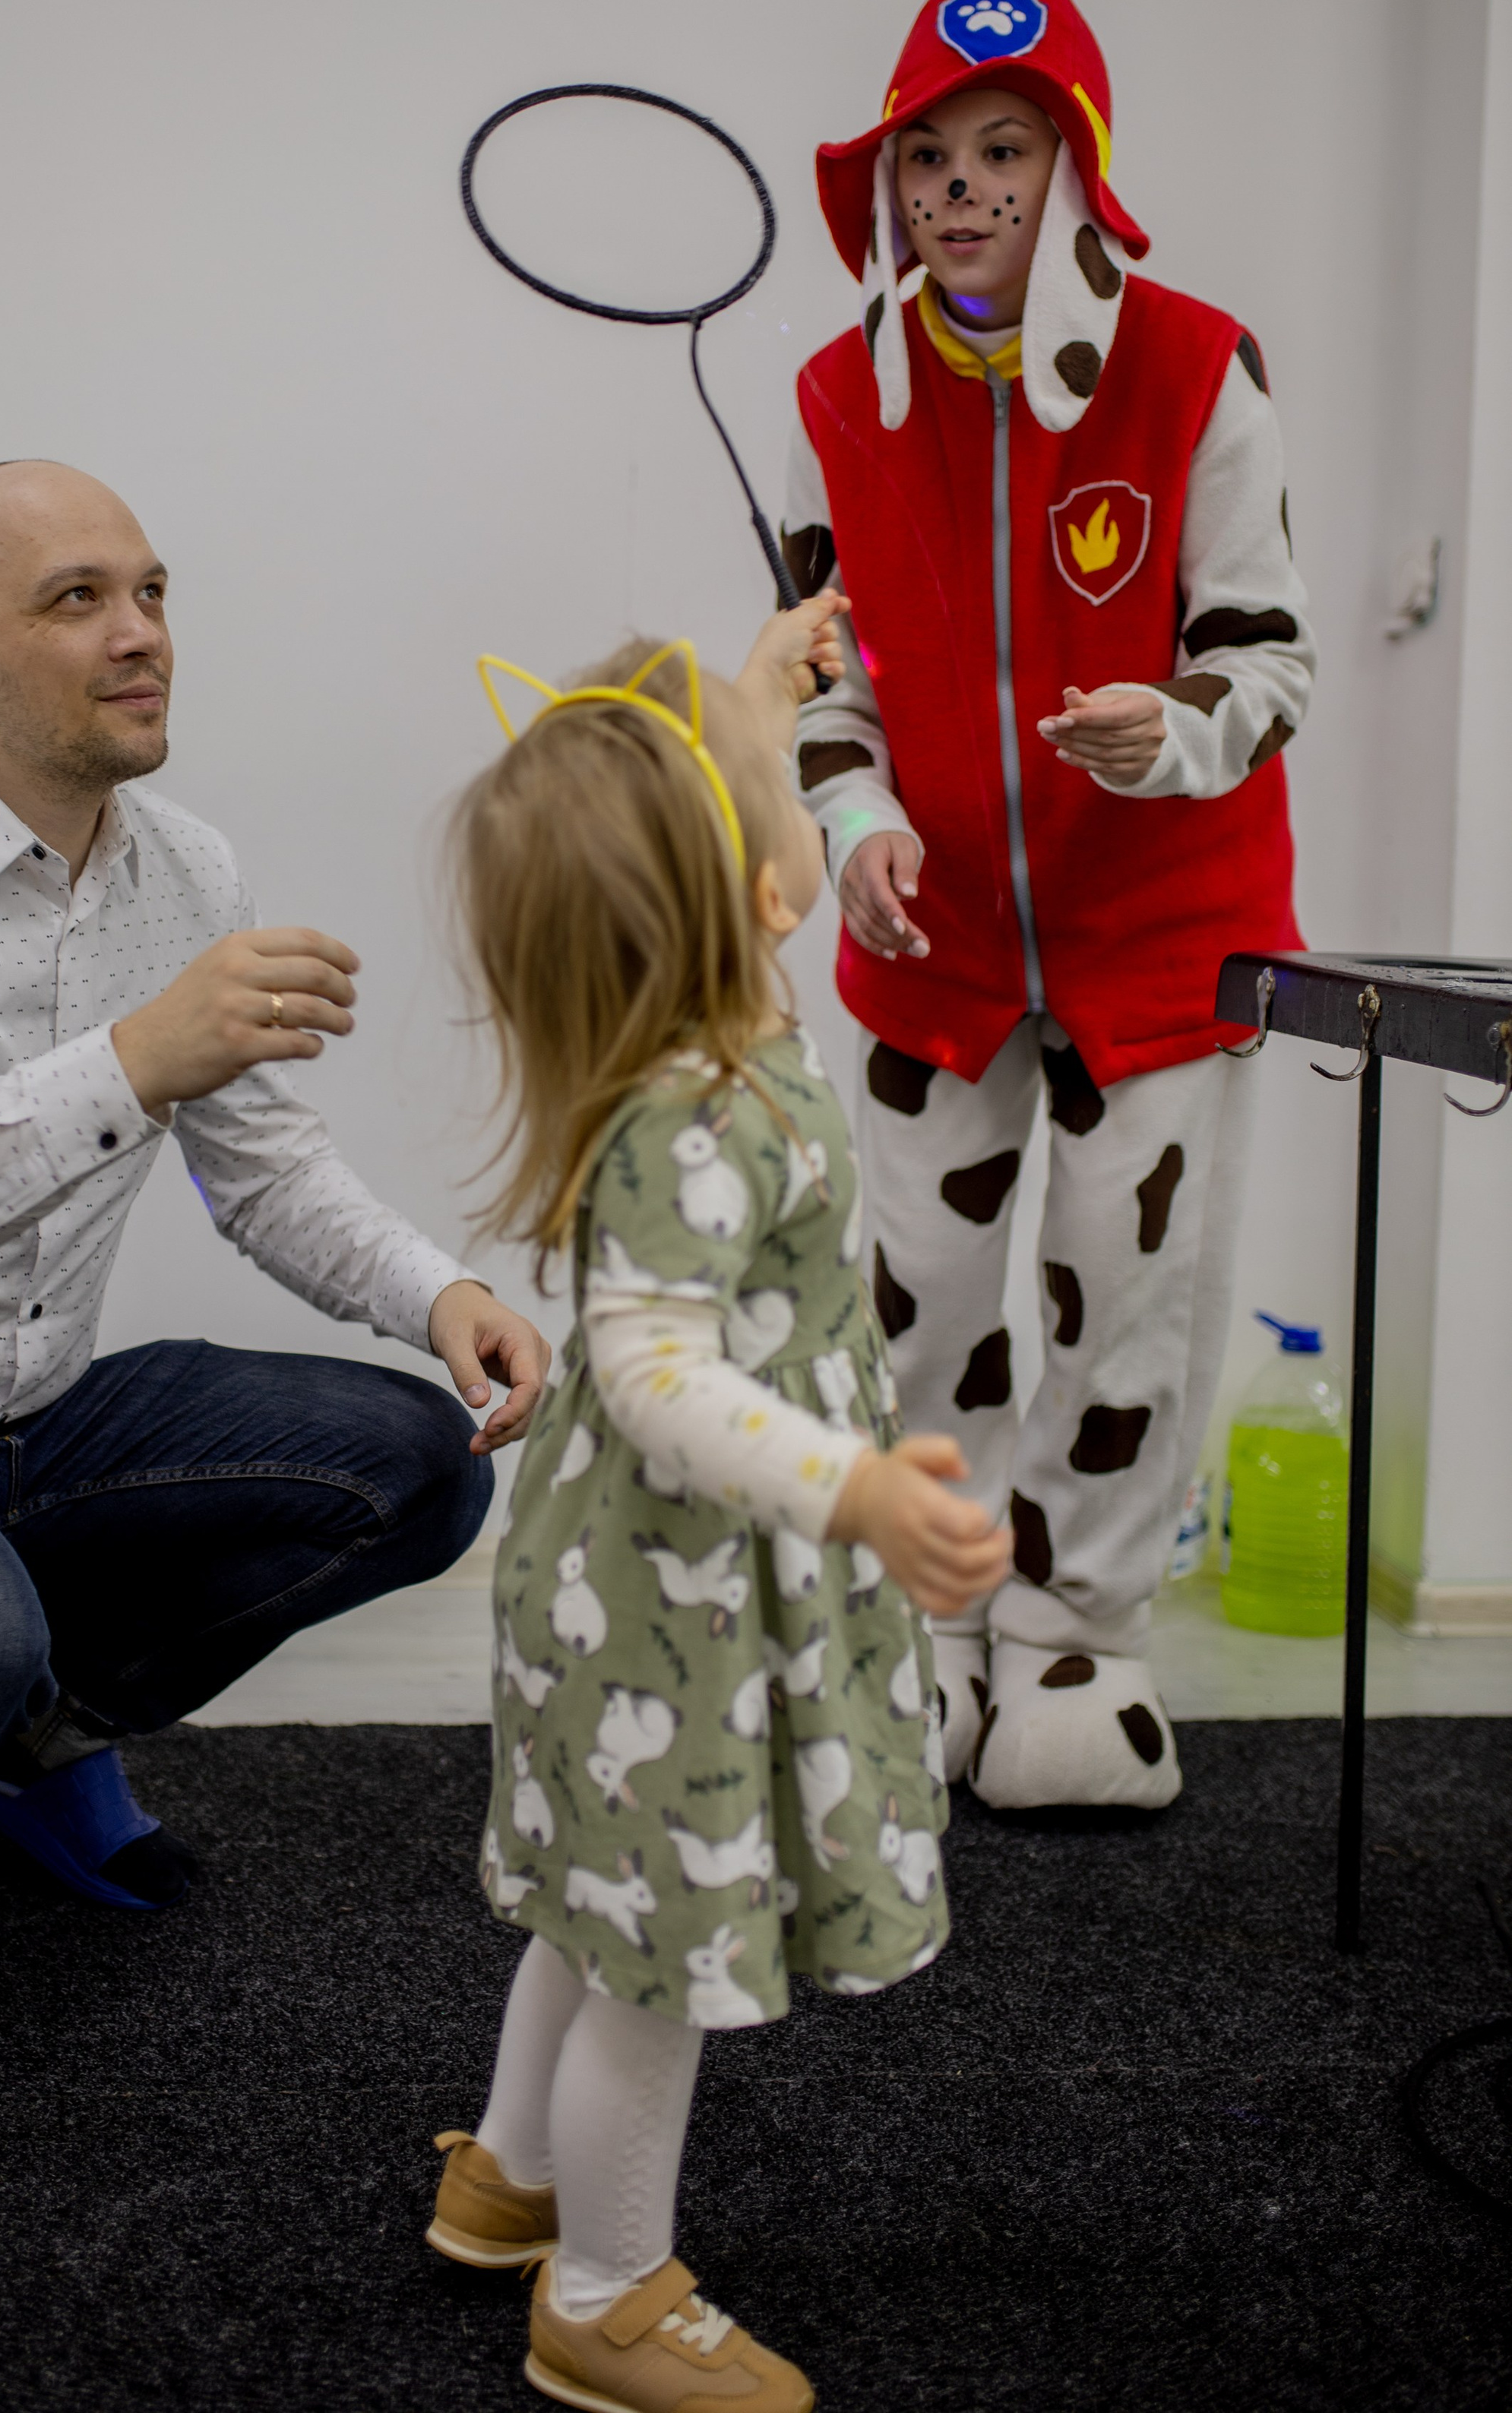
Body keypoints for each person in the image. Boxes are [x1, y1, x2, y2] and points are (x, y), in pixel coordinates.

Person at [0, 457, 549, 2004]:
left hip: (37, 1426)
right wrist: (128, 1064)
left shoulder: (185, 869)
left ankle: (29, 1735)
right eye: (76, 599)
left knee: (418, 1467)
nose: (140, 634)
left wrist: (439, 1293)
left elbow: (263, 1173)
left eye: (150, 592)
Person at [422, 605, 1011, 2413]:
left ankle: (509, 2180)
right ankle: (604, 2295)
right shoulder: (695, 1108)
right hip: (671, 1596)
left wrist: (761, 688)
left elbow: (688, 782)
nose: (808, 800)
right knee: (661, 1954)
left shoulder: (721, 1019)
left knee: (597, 1909)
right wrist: (850, 1485)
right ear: (759, 891)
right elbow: (661, 1381)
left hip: (662, 1584)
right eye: (787, 789)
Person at [783, 0, 1315, 1810]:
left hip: (1159, 937)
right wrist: (856, 821)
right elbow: (823, 676)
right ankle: (930, 1620)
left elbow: (1266, 655)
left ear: (1070, 168)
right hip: (931, 947)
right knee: (919, 1296)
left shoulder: (1194, 365)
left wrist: (1167, 732)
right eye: (925, 155)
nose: (958, 188)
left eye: (1001, 150)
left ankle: (1080, 1635)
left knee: (1123, 1293)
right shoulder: (836, 395)